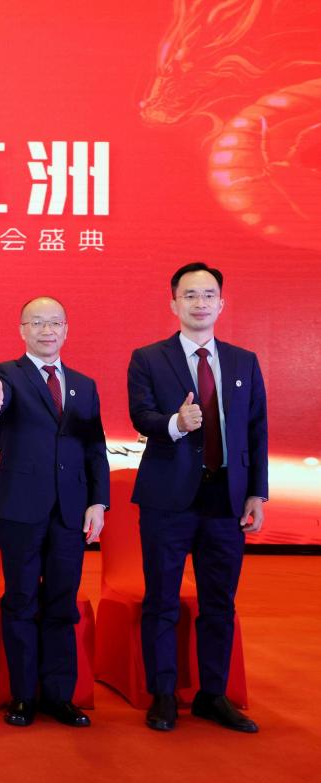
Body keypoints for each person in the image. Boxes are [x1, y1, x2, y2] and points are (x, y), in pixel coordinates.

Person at [128, 262, 267, 733]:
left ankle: (213, 695)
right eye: (189, 295)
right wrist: (175, 423)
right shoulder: (148, 358)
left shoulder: (244, 361)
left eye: (208, 295)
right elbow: (141, 415)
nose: (200, 302)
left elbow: (256, 431)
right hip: (168, 499)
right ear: (174, 304)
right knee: (162, 599)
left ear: (221, 304)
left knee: (220, 602)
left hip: (226, 499)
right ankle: (163, 694)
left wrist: (257, 492)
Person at [0, 296, 109, 728]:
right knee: (21, 600)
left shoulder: (84, 385)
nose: (46, 330)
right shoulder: (7, 374)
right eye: (37, 323)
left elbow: (94, 448)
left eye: (54, 323)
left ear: (66, 330)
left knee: (62, 602)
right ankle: (22, 696)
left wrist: (98, 502)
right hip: (22, 508)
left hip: (71, 511)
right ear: (22, 330)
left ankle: (58, 696)